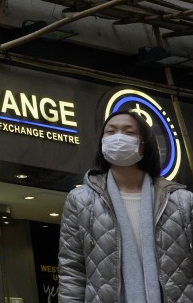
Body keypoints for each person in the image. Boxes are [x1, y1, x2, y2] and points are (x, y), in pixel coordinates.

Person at [59, 109, 193, 303]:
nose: (118, 137)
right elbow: (72, 270)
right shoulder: (80, 200)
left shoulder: (182, 201)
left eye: (129, 132)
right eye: (111, 132)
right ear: (102, 143)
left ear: (144, 144)